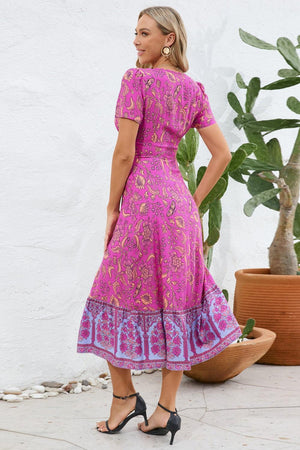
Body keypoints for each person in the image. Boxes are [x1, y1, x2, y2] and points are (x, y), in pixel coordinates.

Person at [76, 5, 241, 446]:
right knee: (178, 300)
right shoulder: (193, 89)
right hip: (178, 204)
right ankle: (165, 410)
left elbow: (125, 153)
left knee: (110, 293)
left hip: (143, 201)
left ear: (168, 38)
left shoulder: (137, 81)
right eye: (135, 33)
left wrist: (111, 208)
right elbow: (222, 154)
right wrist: (193, 200)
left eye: (144, 33)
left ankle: (125, 398)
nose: (135, 40)